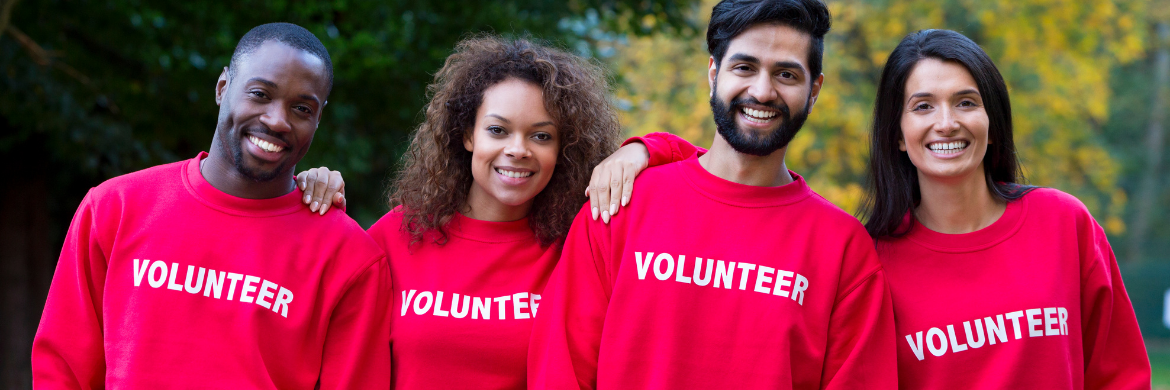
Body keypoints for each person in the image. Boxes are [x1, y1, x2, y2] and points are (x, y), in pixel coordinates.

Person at [526, 0, 897, 388]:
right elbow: (560, 368)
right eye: (744, 67)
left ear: (814, 89)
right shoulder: (620, 205)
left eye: (786, 74)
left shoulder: (843, 248)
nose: (762, 91)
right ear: (714, 73)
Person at [31, 23, 391, 388]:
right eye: (260, 94)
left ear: (318, 119)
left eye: (300, 108)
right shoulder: (114, 208)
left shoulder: (348, 257)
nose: (277, 120)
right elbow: (62, 369)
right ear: (222, 88)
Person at [298, 35, 626, 389]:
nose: (518, 150)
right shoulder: (398, 235)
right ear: (469, 135)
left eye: (541, 137)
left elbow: (691, 169)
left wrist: (644, 149)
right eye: (498, 130)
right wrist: (304, 191)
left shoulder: (574, 251)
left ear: (564, 148)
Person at [858, 29, 1151, 389]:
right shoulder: (871, 261)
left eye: (966, 102)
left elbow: (1121, 375)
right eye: (923, 106)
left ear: (993, 123)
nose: (947, 123)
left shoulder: (1063, 223)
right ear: (898, 135)